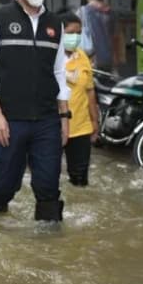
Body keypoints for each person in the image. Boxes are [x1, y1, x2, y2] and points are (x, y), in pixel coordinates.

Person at [0, 0, 71, 221]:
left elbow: (59, 71)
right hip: (10, 118)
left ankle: (49, 247)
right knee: (6, 182)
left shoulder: (55, 24)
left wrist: (64, 117)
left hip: (47, 119)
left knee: (48, 185)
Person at [59, 11, 99, 186]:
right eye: (70, 33)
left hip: (81, 126)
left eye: (78, 33)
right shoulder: (50, 56)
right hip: (54, 126)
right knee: (47, 176)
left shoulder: (82, 56)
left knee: (80, 179)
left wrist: (94, 121)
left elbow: (90, 91)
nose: (75, 37)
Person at [78, 0, 113, 72]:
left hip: (91, 59)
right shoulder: (111, 12)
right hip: (108, 58)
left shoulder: (83, 11)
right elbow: (117, 37)